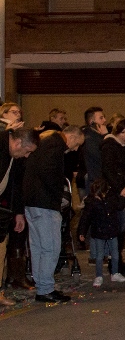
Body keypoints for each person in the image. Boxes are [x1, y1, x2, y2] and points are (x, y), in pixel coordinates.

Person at [23, 125, 85, 303]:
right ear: (71, 137)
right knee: (50, 247)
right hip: (45, 203)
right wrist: (59, 195)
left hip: (33, 202)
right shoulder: (55, 144)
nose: (75, 149)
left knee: (37, 247)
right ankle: (45, 289)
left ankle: (42, 285)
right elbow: (48, 171)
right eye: (77, 144)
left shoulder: (45, 141)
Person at [0, 128, 38, 305]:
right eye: (27, 151)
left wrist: (19, 213)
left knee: (1, 251)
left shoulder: (15, 157)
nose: (27, 155)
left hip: (3, 209)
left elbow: (15, 185)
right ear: (17, 143)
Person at [76, 178, 125, 287]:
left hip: (112, 231)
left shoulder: (110, 198)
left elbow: (119, 206)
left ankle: (115, 273)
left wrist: (124, 197)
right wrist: (82, 232)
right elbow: (85, 218)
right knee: (99, 255)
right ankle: (99, 276)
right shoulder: (91, 202)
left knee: (115, 253)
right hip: (99, 232)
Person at [102, 118, 125, 274]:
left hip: (122, 191)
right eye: (123, 132)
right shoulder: (110, 146)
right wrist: (120, 187)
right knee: (117, 227)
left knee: (122, 227)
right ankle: (114, 263)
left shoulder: (124, 147)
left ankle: (118, 260)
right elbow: (108, 170)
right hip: (114, 192)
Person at [82, 106, 107, 193]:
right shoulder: (89, 138)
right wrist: (106, 136)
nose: (104, 120)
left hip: (101, 179)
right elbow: (103, 157)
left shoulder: (97, 137)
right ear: (91, 121)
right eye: (101, 118)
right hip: (96, 181)